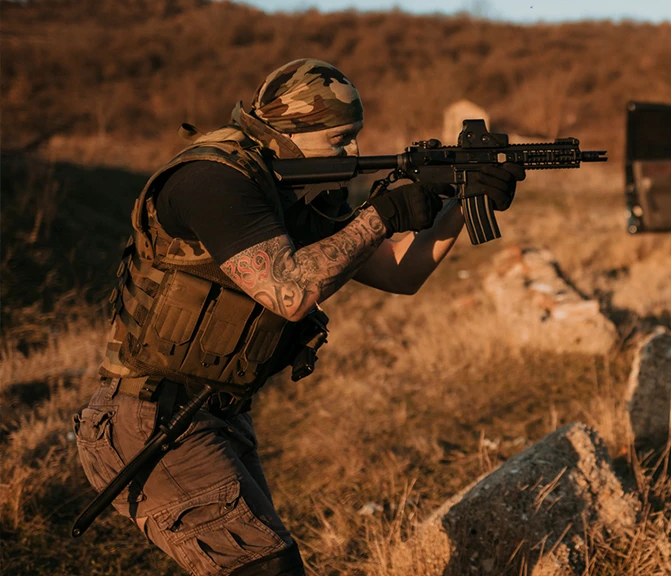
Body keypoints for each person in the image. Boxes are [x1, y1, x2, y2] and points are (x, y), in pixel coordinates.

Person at [73, 58, 525, 575]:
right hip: (149, 418)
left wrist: (463, 203)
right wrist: (382, 216)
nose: (353, 151)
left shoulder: (280, 192)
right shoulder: (213, 181)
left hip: (211, 413)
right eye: (339, 139)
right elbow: (289, 291)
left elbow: (401, 274)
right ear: (289, 132)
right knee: (269, 568)